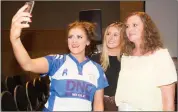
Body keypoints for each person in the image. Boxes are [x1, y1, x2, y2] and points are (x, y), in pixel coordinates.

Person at [10, 4, 109, 111]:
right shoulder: (56, 61)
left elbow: (98, 105)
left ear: (88, 41)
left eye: (79, 37)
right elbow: (28, 64)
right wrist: (15, 39)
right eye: (70, 37)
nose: (74, 41)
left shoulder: (97, 70)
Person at [115, 12, 177, 111]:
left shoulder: (161, 55)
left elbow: (168, 103)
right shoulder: (126, 57)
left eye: (134, 25)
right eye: (127, 26)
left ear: (146, 28)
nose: (129, 29)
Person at [91, 22, 124, 111]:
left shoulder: (127, 60)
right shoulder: (95, 59)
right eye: (108, 34)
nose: (110, 38)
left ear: (123, 38)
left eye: (115, 35)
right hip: (98, 106)